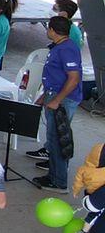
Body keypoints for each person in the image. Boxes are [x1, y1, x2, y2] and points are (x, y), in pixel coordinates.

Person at [36, 15, 84, 191]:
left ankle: (59, 181)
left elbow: (73, 79)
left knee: (58, 139)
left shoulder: (66, 49)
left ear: (52, 30)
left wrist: (56, 100)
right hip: (54, 95)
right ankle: (53, 175)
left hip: (62, 100)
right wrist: (45, 96)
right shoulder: (61, 46)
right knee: (53, 137)